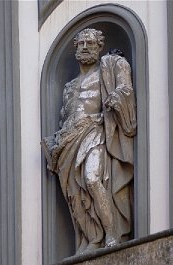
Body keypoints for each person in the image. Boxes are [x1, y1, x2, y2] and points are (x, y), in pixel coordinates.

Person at [41, 28, 137, 254]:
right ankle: (93, 237)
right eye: (81, 43)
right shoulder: (69, 86)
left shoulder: (108, 68)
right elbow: (65, 116)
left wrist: (117, 97)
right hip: (68, 142)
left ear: (99, 46)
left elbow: (125, 88)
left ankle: (112, 234)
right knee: (75, 195)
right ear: (75, 48)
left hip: (94, 131)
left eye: (90, 43)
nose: (85, 47)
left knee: (92, 179)